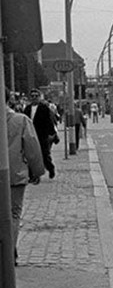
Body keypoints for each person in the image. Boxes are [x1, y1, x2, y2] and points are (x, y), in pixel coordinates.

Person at [6, 96, 45, 265]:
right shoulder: (21, 121)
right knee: (13, 214)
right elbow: (32, 148)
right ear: (9, 100)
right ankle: (9, 252)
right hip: (15, 174)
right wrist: (36, 171)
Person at [26, 90, 58, 179]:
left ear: (39, 97)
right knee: (31, 154)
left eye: (36, 96)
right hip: (30, 134)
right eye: (32, 96)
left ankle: (50, 168)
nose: (34, 98)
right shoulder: (27, 108)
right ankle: (32, 174)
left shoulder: (44, 108)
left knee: (44, 154)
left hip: (42, 134)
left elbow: (49, 121)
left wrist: (52, 133)